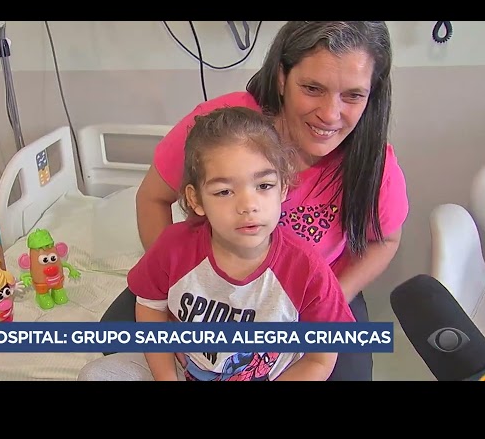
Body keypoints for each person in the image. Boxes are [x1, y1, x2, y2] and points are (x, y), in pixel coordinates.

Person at [100, 21, 409, 381]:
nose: (329, 114)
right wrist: (179, 288)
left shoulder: (374, 162)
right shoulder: (221, 129)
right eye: (312, 88)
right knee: (118, 338)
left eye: (353, 95)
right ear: (281, 77)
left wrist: (324, 298)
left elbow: (386, 239)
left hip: (306, 289)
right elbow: (153, 197)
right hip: (206, 277)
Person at [79, 106, 356, 381]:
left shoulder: (306, 269)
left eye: (264, 186)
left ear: (283, 188)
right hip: (186, 368)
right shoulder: (173, 248)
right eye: (224, 191)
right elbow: (150, 306)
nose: (248, 205)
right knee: (97, 374)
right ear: (196, 200)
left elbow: (320, 358)